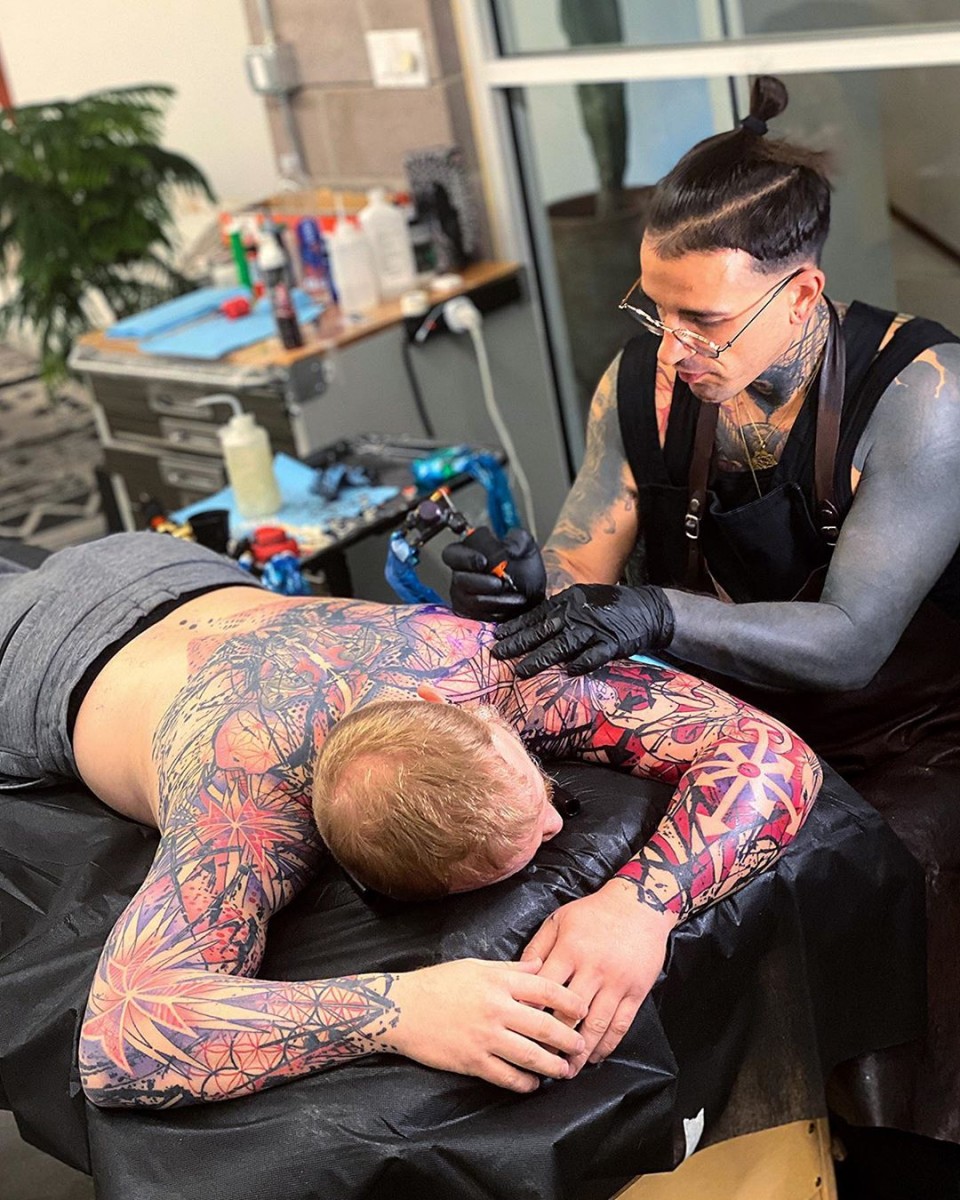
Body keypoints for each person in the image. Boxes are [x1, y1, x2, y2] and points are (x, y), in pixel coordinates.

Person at [445, 76, 960, 1150]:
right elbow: (580, 567)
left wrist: (655, 615)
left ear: (804, 295)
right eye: (655, 310)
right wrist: (523, 589)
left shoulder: (926, 400)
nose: (673, 348)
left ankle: (896, 1150)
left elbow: (852, 643)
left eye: (704, 321)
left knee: (886, 885)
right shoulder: (641, 387)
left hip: (914, 734)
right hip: (739, 721)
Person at [0, 533, 819, 1109]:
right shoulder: (241, 806)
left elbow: (770, 750)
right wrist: (399, 1011)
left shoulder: (482, 673)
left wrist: (641, 906)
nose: (553, 823)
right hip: (32, 658)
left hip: (170, 567)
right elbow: (122, 1040)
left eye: (535, 791)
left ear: (455, 711)